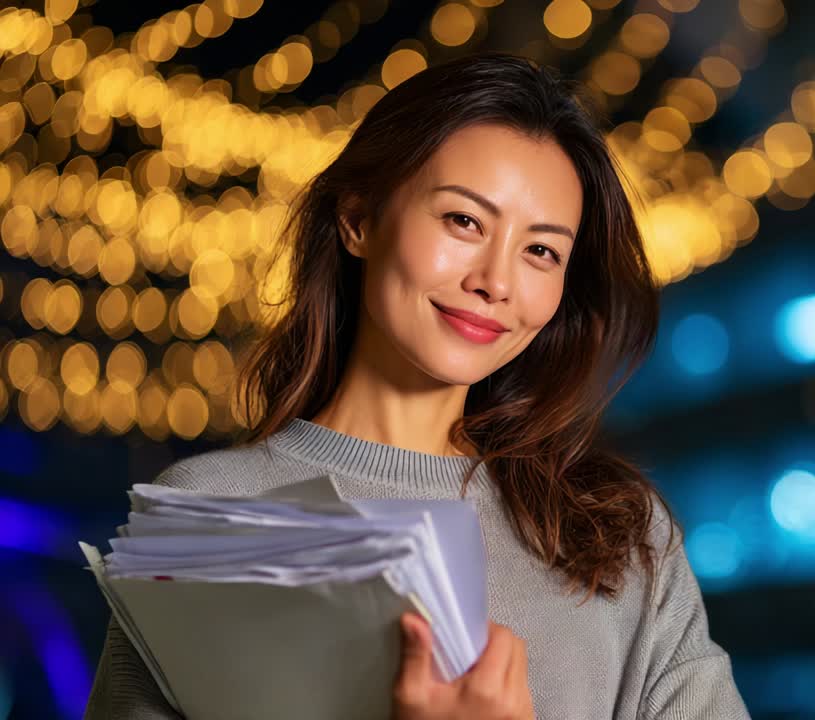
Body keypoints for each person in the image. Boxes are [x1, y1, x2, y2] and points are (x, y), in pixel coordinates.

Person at [83, 52, 749, 720]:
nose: (496, 280)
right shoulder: (213, 514)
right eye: (463, 221)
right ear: (359, 219)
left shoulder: (617, 533)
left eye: (541, 251)